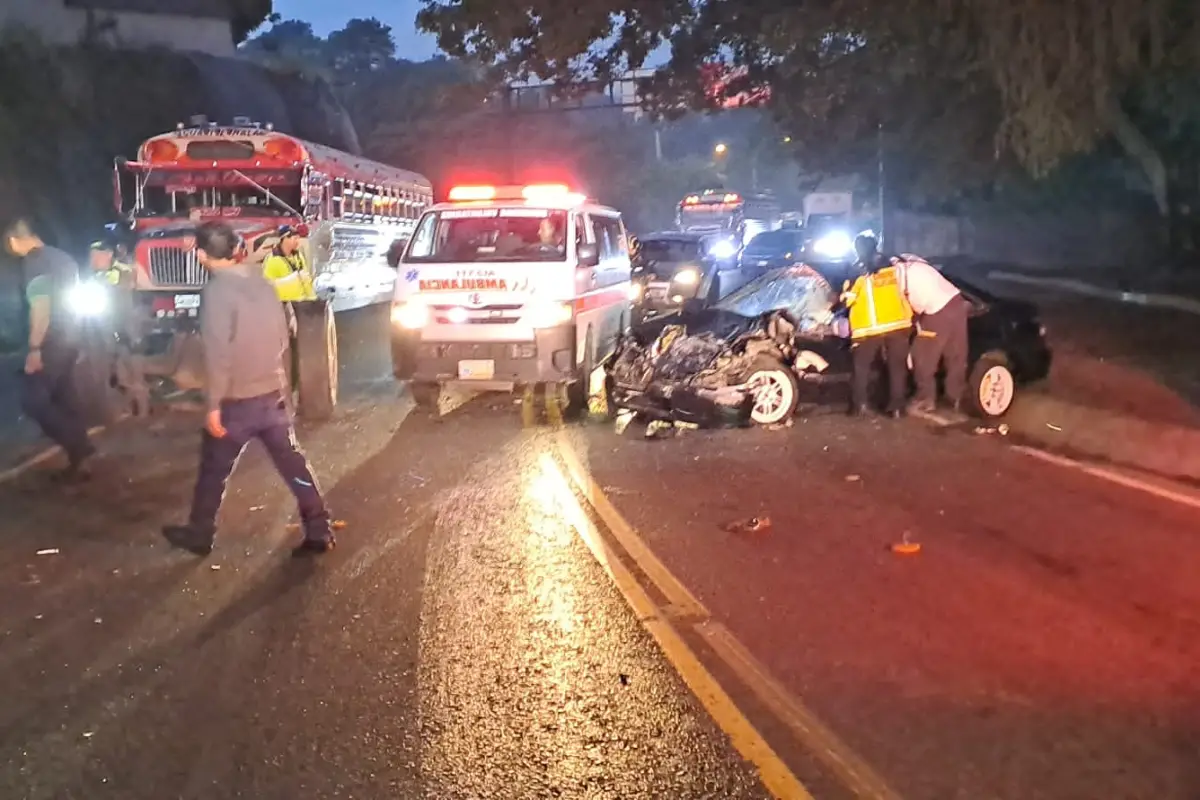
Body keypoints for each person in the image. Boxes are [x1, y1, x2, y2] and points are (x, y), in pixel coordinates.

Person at [162, 221, 335, 557]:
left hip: (236, 402)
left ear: (200, 254)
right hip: (272, 395)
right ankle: (319, 529)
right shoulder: (262, 282)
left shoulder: (215, 291)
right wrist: (281, 385)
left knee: (214, 470)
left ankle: (200, 532)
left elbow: (218, 351)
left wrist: (212, 405)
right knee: (293, 465)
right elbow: (285, 335)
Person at [4, 218, 95, 480]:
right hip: (71, 337)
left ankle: (79, 447)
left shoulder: (34, 263)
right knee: (66, 398)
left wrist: (34, 348)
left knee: (33, 401)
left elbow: (40, 308)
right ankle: (80, 459)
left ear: (15, 240)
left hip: (50, 342)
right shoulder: (64, 258)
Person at [840, 232, 913, 418]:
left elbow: (847, 301)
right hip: (898, 323)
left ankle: (860, 407)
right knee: (897, 368)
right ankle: (897, 408)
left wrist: (841, 294)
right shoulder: (892, 266)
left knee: (861, 369)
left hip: (868, 327)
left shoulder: (858, 272)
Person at [895, 253, 969, 414]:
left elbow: (911, 307)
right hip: (957, 301)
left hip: (937, 310)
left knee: (922, 355)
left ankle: (925, 399)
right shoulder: (909, 258)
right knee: (955, 354)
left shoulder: (896, 275)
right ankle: (954, 398)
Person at [88, 238, 149, 416]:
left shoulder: (124, 271)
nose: (92, 260)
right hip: (110, 332)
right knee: (121, 374)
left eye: (95, 256)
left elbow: (125, 288)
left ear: (108, 255)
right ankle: (131, 410)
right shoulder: (96, 276)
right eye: (90, 256)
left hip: (129, 332)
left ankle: (143, 413)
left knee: (135, 373)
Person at [262, 225, 316, 303]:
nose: (298, 241)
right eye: (295, 238)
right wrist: (292, 279)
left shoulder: (298, 256)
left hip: (301, 304)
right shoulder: (272, 260)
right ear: (285, 239)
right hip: (284, 306)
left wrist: (312, 301)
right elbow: (268, 287)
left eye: (298, 238)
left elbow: (307, 282)